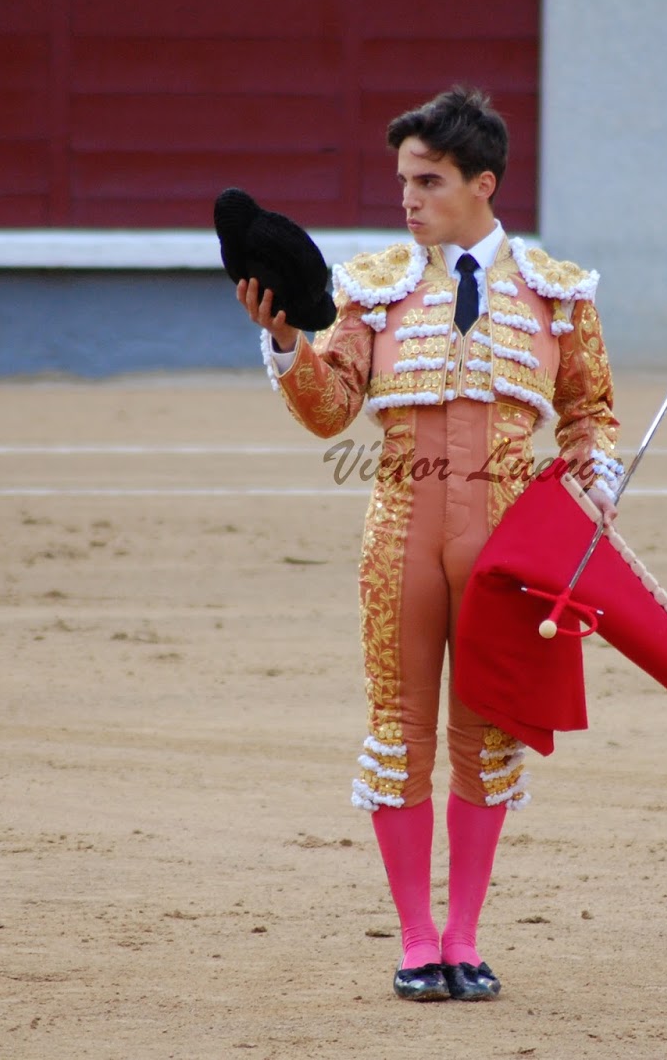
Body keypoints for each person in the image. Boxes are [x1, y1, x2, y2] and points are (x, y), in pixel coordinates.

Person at [235, 85, 622, 1002]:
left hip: (507, 544)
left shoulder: (558, 295)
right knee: (400, 735)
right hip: (402, 531)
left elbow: (589, 413)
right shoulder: (372, 288)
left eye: (429, 180)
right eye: (403, 179)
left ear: (483, 184)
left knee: (485, 739)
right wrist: (290, 344)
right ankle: (417, 940)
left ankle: (466, 935)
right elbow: (332, 413)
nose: (407, 198)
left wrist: (596, 478)